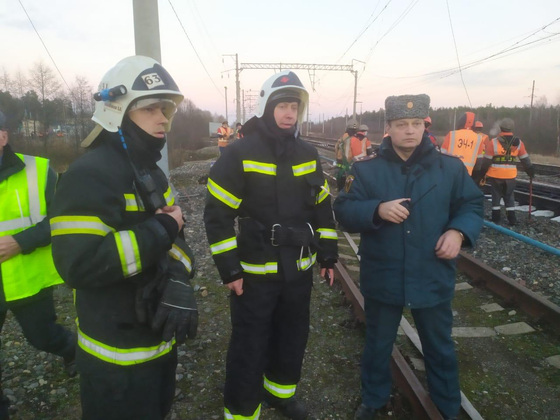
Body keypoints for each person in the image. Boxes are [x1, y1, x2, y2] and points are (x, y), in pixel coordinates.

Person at [49, 56, 197, 420]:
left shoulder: (153, 174)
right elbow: (80, 264)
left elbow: (181, 244)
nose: (163, 119)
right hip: (113, 364)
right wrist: (160, 230)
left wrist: (178, 277)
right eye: (150, 109)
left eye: (165, 109)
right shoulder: (87, 175)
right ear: (116, 111)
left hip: (158, 349)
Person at [333, 94, 483, 420]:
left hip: (432, 272)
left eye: (417, 123)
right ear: (388, 127)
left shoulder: (450, 168)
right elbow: (343, 211)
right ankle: (373, 399)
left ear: (425, 125)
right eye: (402, 124)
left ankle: (446, 405)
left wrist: (458, 232)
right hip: (383, 273)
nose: (411, 130)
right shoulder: (366, 170)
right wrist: (376, 209)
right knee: (378, 344)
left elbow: (471, 205)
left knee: (439, 346)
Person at [203, 70, 338, 420]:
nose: (289, 113)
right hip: (254, 274)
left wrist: (328, 255)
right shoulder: (239, 153)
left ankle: (281, 394)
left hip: (298, 270)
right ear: (266, 107)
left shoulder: (308, 153)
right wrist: (229, 270)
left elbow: (322, 207)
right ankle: (242, 411)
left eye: (294, 107)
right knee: (250, 344)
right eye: (282, 106)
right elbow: (217, 216)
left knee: (292, 337)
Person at [0, 110, 76, 420]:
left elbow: (62, 220)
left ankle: (73, 351)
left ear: (3, 136)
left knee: (42, 337)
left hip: (27, 278)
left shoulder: (39, 170)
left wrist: (20, 241)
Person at [479, 117, 535, 225]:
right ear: (512, 128)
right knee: (509, 196)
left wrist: (482, 173)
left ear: (501, 128)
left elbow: (486, 161)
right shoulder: (519, 143)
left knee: (496, 196)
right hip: (510, 175)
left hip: (495, 175)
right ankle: (512, 219)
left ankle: (496, 218)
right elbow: (525, 159)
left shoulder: (493, 142)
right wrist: (530, 171)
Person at [441, 112, 485, 177]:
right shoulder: (479, 138)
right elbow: (479, 160)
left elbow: (442, 154)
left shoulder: (451, 134)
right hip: (467, 175)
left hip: (449, 173)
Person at [335, 119, 358, 191]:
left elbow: (336, 149)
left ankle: (340, 192)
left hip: (340, 165)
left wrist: (338, 157)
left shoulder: (342, 138)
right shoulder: (354, 139)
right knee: (348, 187)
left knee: (340, 185)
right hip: (349, 166)